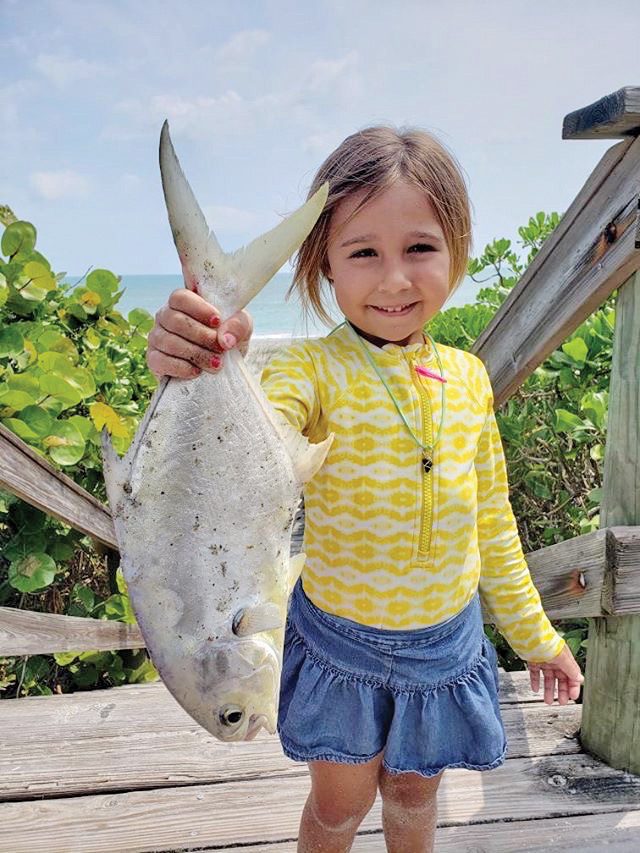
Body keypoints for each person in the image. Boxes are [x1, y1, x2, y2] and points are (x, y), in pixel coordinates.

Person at [146, 126, 584, 853]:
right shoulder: (312, 372)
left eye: (419, 248)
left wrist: (537, 638)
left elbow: (493, 523)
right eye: (362, 253)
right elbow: (256, 423)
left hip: (444, 649)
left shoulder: (469, 379)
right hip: (341, 649)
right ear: (323, 265)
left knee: (415, 800)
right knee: (338, 806)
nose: (393, 280)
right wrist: (212, 354)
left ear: (458, 251)